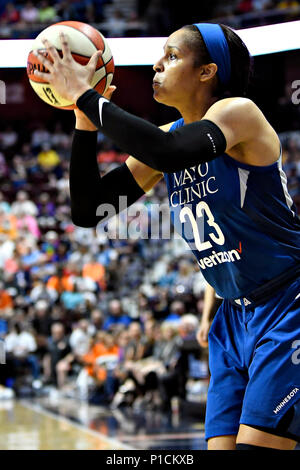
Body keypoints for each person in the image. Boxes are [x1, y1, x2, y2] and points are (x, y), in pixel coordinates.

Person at [34, 24, 300, 450]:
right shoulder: (171, 136)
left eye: (172, 56)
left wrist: (88, 94)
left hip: (288, 304)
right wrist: (84, 123)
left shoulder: (239, 113)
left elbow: (167, 153)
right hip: (234, 317)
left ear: (207, 71)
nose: (157, 64)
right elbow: (89, 208)